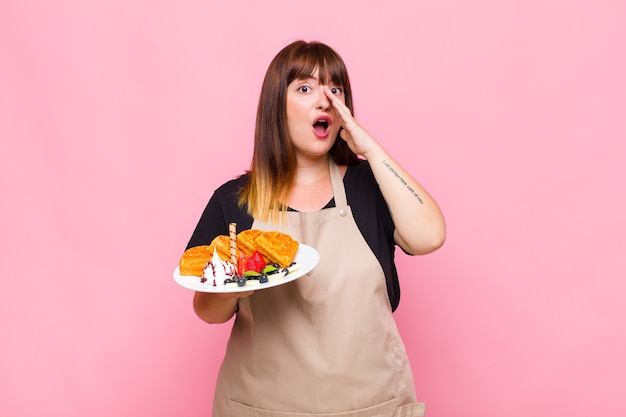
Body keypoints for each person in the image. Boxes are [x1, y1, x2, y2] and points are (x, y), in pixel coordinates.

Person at [184, 40, 446, 417]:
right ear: (277, 105)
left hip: (372, 406)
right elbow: (207, 311)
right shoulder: (235, 201)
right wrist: (234, 279)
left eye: (334, 89)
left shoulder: (370, 187)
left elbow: (430, 236)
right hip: (263, 408)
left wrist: (369, 148)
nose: (324, 100)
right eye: (305, 88)